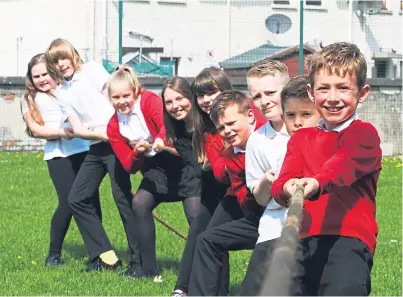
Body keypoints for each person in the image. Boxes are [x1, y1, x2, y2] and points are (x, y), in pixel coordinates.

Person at [271, 42, 382, 296]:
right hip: (301, 240)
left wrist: (316, 182)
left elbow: (342, 164)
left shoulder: (364, 134)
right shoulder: (300, 138)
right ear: (311, 92)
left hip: (348, 241)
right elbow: (282, 181)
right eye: (324, 88)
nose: (332, 98)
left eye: (343, 88)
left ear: (362, 93)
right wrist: (286, 187)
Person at [45, 38, 140, 274]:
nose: (61, 64)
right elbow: (77, 129)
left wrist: (124, 133)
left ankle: (139, 261)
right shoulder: (62, 93)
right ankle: (105, 256)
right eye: (55, 61)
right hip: (98, 145)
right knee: (76, 198)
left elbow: (117, 98)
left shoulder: (92, 70)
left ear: (73, 55)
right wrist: (106, 136)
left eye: (64, 57)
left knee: (123, 201)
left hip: (119, 142)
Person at [107, 70, 201, 279]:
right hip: (156, 168)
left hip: (182, 162)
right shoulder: (114, 127)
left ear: (135, 92)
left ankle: (198, 268)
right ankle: (148, 269)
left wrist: (160, 140)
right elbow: (129, 166)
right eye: (116, 97)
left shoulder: (149, 100)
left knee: (196, 215)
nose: (122, 102)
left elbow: (165, 126)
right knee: (140, 203)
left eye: (126, 96)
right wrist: (137, 153)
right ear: (109, 98)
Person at [241, 71, 321, 294]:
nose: (297, 122)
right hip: (275, 227)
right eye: (256, 95)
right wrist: (269, 181)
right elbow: (260, 198)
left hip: (316, 228)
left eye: (269, 93)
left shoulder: (324, 137)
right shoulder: (258, 140)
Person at [21, 53, 101, 267]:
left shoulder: (67, 90)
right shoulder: (31, 99)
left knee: (91, 201)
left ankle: (100, 254)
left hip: (84, 150)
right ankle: (53, 254)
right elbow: (36, 130)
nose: (41, 79)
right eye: (36, 76)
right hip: (59, 156)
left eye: (44, 73)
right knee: (67, 202)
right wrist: (61, 132)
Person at [188, 90, 266, 296]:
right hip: (259, 217)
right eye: (221, 127)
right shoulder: (231, 156)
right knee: (207, 239)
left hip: (286, 218)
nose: (227, 131)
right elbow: (246, 203)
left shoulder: (270, 138)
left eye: (232, 123)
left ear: (250, 115)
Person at [171, 67, 233, 297]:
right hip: (218, 188)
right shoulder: (205, 129)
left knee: (210, 236)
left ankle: (192, 289)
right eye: (201, 95)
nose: (206, 100)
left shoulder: (240, 116)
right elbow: (217, 171)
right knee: (201, 227)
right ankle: (182, 289)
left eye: (211, 93)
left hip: (243, 191)